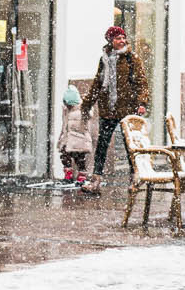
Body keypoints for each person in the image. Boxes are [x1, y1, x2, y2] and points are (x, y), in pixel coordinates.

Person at [84, 24, 149, 190]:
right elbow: (98, 83)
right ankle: (96, 179)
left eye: (123, 38)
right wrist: (87, 104)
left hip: (127, 108)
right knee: (102, 145)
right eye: (118, 38)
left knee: (130, 145)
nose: (122, 41)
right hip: (108, 108)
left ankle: (135, 176)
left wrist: (142, 103)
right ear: (110, 40)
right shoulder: (104, 59)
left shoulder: (131, 58)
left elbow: (141, 82)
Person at [57, 85, 94, 185]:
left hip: (80, 139)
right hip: (67, 139)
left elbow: (89, 114)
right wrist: (61, 138)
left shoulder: (82, 109)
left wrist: (87, 105)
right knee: (65, 157)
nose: (68, 106)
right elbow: (64, 126)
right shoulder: (66, 110)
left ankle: (81, 176)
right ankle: (68, 174)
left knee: (80, 159)